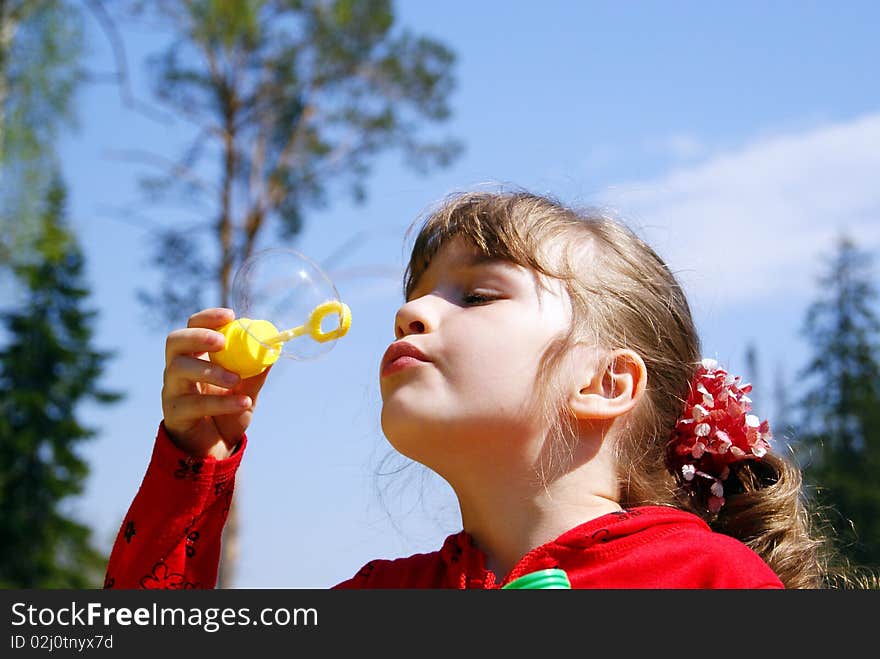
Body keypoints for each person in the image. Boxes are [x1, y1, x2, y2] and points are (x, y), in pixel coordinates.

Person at [105, 189, 841, 589]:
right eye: (417, 292)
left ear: (606, 381)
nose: (410, 310)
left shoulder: (704, 580)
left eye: (479, 295)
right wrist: (192, 463)